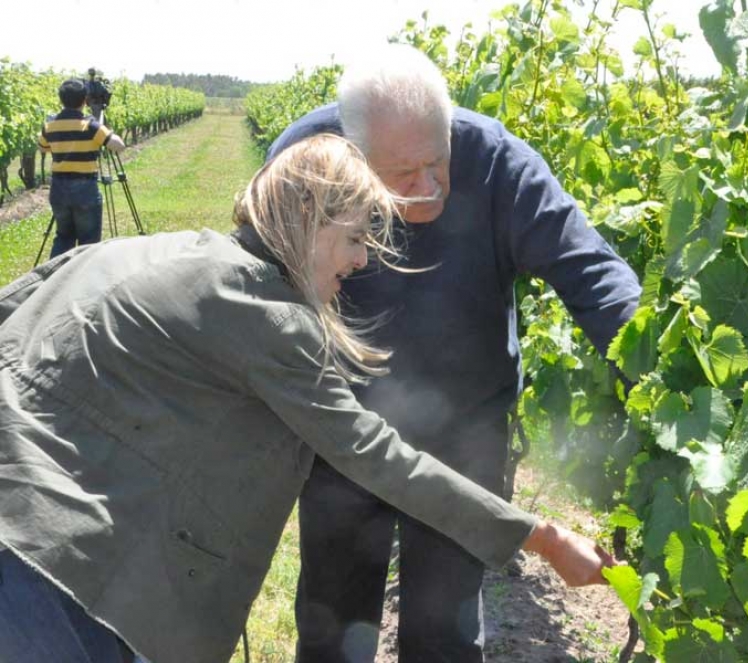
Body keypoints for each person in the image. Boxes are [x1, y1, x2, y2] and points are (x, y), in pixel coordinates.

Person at [0, 134, 614, 663]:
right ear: (305, 217)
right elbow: (378, 456)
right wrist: (542, 537)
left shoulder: (142, 249)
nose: (363, 256)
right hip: (44, 572)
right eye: (353, 236)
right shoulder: (268, 318)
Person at [267, 45, 641, 662]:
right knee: (334, 620)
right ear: (353, 155)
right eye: (402, 174)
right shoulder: (305, 161)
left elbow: (590, 269)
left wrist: (646, 365)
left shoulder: (497, 162)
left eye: (437, 162)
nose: (429, 185)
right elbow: (257, 285)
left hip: (467, 425)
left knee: (446, 625)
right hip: (344, 425)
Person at [37, 78, 126, 258]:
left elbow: (42, 147)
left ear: (61, 100)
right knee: (88, 244)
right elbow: (119, 145)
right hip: (85, 190)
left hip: (59, 189)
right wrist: (105, 130)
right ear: (85, 100)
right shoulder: (91, 126)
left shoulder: (50, 126)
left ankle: (55, 277)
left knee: (63, 237)